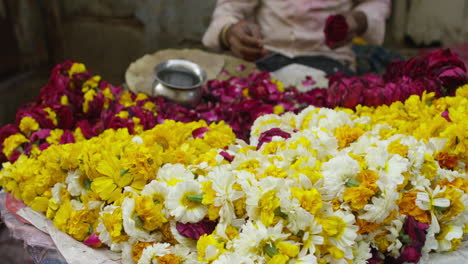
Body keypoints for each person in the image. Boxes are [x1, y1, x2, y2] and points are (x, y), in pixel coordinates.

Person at [202, 0, 391, 76]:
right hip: (269, 59)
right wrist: (230, 32)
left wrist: (360, 19)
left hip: (333, 62)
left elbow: (377, 3)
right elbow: (228, 11)